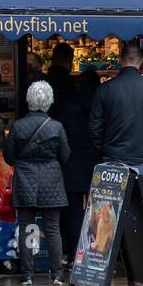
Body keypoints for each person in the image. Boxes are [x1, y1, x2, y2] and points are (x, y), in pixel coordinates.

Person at [89, 40, 143, 221]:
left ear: (120, 60)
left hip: (112, 160)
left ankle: (117, 250)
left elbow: (94, 128)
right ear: (141, 61)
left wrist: (101, 152)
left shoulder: (105, 89)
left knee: (109, 219)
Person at [4, 80, 70, 286]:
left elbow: (9, 156)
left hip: (25, 178)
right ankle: (57, 274)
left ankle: (28, 274)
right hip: (51, 180)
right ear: (49, 101)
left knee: (27, 227)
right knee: (52, 228)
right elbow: (65, 155)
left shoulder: (18, 126)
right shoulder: (57, 127)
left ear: (28, 101)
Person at [46, 45, 97, 262]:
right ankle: (83, 252)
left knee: (66, 211)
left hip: (65, 162)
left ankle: (72, 253)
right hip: (82, 160)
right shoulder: (83, 102)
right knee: (78, 208)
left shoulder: (57, 90)